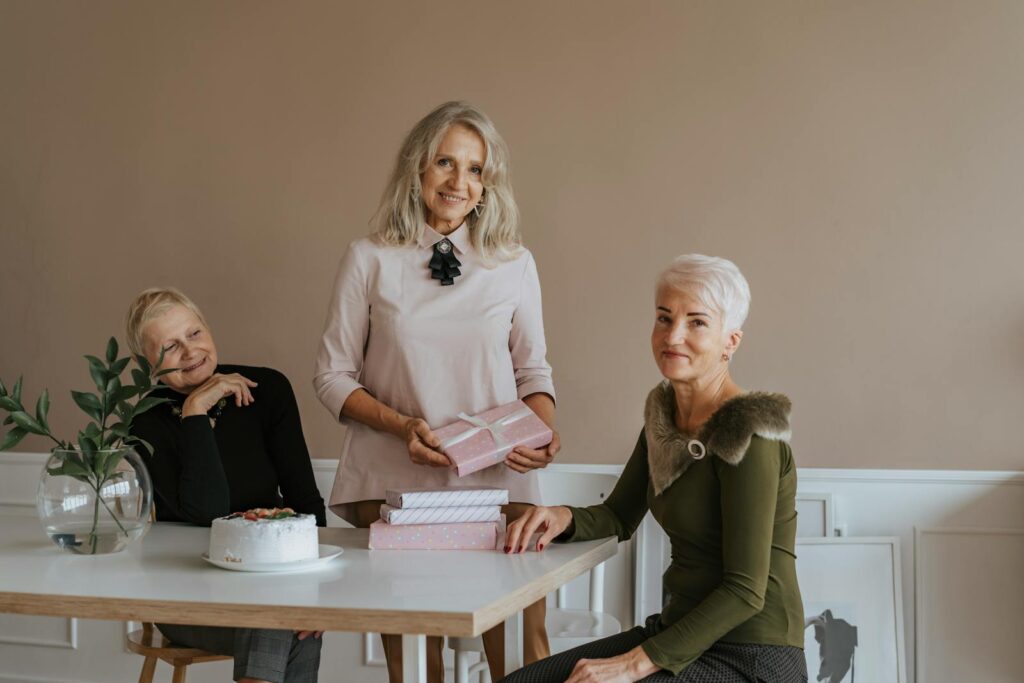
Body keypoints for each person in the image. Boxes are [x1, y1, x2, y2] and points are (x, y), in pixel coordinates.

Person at [313, 100, 559, 683]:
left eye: (475, 169)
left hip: (501, 483)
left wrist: (544, 433)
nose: (459, 181)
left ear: (487, 184)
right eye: (445, 162)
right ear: (417, 170)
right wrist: (404, 428)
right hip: (398, 482)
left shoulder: (514, 264)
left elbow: (534, 375)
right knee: (416, 662)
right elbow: (331, 376)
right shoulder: (369, 258)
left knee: (521, 651)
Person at [503, 255, 806, 683]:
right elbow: (618, 516)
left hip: (751, 655)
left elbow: (744, 591)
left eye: (697, 322)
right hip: (679, 630)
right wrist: (560, 517)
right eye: (664, 318)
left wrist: (635, 663)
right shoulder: (662, 419)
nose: (673, 335)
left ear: (730, 341)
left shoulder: (749, 433)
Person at [127, 286, 326, 683]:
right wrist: (195, 412)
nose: (189, 351)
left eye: (194, 334)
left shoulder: (266, 390)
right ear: (147, 364)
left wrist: (315, 596)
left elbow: (304, 498)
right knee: (274, 614)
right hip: (184, 597)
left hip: (272, 586)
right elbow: (206, 511)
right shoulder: (145, 423)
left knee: (286, 615)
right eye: (169, 347)